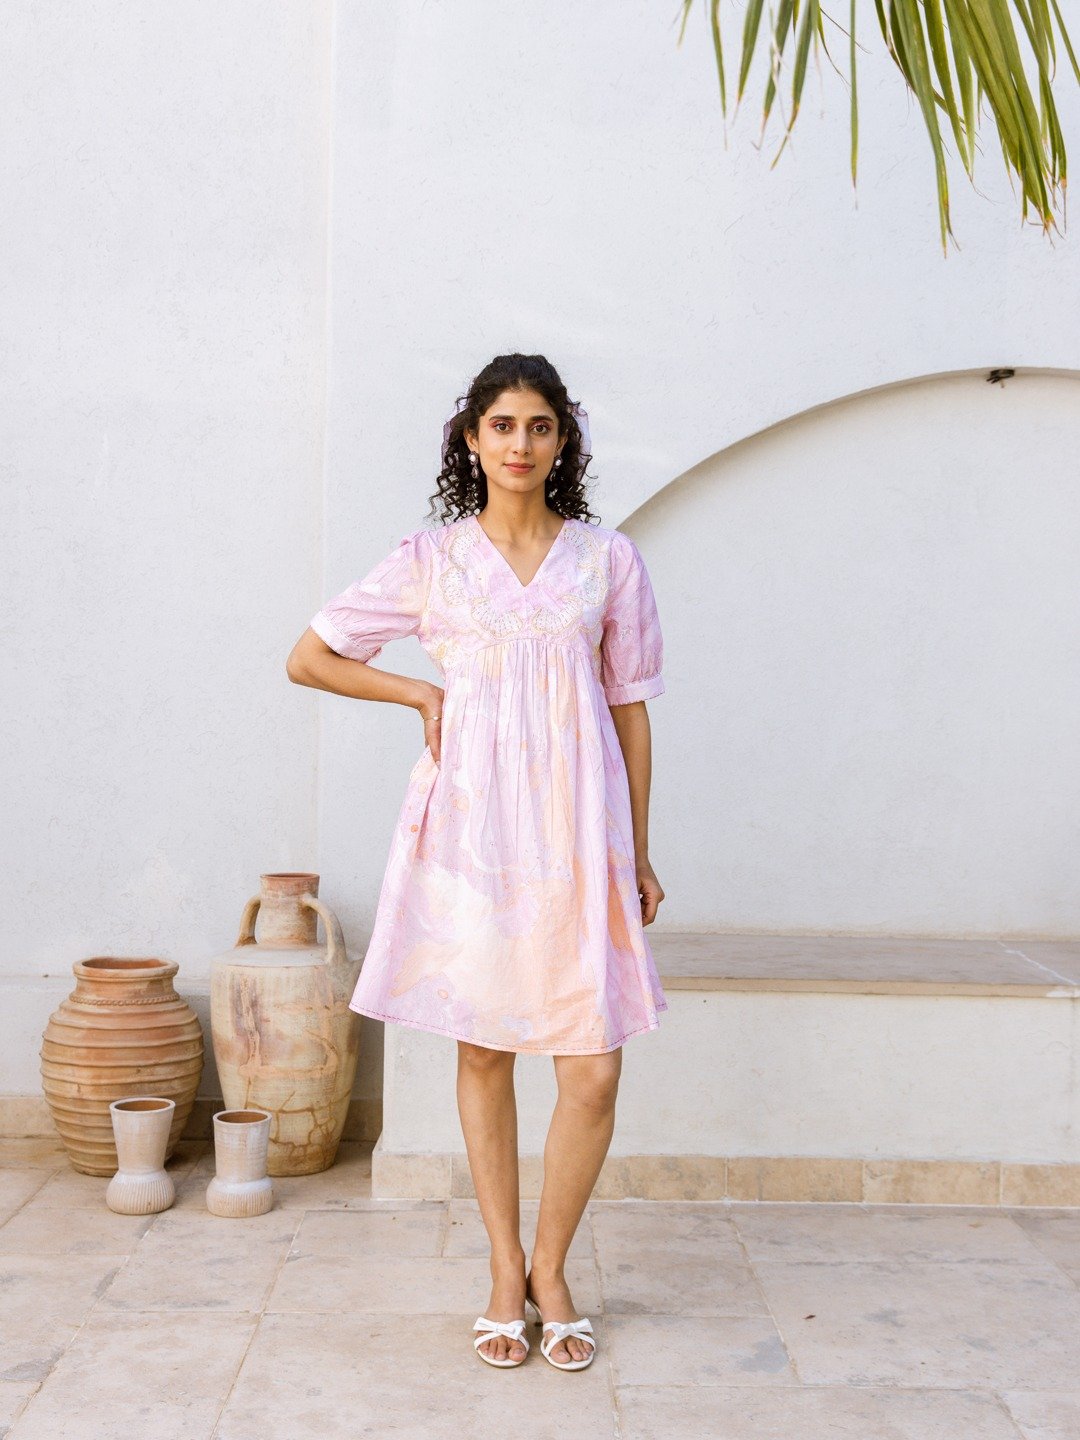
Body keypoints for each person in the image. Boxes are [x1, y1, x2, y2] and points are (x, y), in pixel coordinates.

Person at [287, 352, 668, 1371]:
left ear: (563, 441)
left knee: (592, 1069)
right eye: (502, 425)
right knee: (487, 1049)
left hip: (579, 833)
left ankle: (553, 1266)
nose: (520, 444)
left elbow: (630, 712)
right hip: (472, 835)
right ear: (472, 439)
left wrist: (638, 848)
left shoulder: (608, 561)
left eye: (540, 426)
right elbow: (310, 655)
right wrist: (418, 692)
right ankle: (505, 1270)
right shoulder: (432, 560)